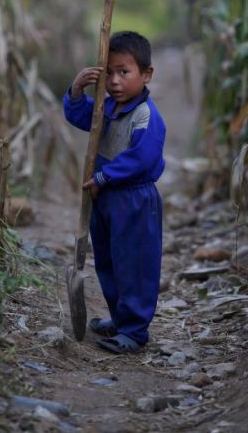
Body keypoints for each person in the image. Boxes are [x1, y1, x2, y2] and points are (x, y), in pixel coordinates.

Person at [63, 30, 166, 354]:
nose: (115, 81)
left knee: (134, 263)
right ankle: (120, 319)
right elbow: (82, 117)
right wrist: (78, 90)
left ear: (146, 74)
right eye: (108, 72)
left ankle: (135, 331)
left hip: (133, 199)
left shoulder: (145, 116)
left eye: (124, 72)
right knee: (109, 260)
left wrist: (106, 178)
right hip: (104, 198)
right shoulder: (106, 109)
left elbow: (142, 158)